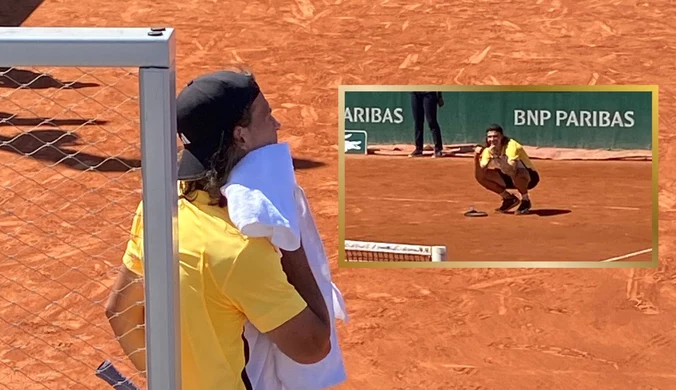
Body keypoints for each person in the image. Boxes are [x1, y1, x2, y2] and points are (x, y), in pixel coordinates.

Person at [104, 70, 331, 390]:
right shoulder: (242, 248)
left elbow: (121, 313)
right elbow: (313, 346)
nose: (277, 124)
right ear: (241, 135)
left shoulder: (158, 210)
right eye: (266, 116)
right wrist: (289, 233)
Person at [474, 124, 540, 214]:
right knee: (481, 176)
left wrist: (496, 156)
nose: (492, 139)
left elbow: (511, 170)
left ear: (501, 136)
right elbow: (480, 173)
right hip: (506, 176)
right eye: (489, 137)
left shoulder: (512, 146)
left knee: (517, 173)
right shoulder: (488, 150)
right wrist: (476, 157)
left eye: (495, 136)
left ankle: (525, 201)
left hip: (528, 177)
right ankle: (509, 199)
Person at [409, 91, 444, 158]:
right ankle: (418, 149)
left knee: (431, 121)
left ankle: (438, 149)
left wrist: (439, 96)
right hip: (415, 94)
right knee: (417, 122)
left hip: (429, 93)